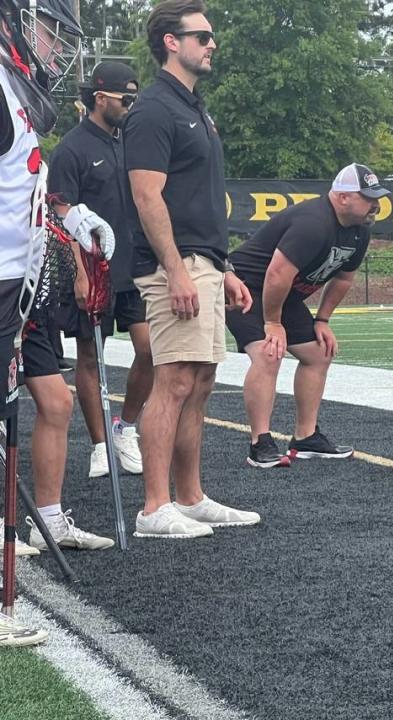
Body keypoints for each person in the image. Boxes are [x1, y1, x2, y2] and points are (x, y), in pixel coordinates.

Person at [124, 0, 258, 539]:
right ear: (170, 42)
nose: (212, 43)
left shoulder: (194, 107)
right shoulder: (155, 108)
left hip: (203, 260)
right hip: (173, 265)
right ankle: (154, 507)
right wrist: (176, 269)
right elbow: (146, 195)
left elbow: (196, 197)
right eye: (202, 35)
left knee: (200, 381)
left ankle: (190, 496)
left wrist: (220, 267)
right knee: (174, 380)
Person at [0, 0, 112, 646]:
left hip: (15, 292)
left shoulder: (17, 94)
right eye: (49, 31)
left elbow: (22, 192)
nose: (57, 48)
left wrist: (67, 222)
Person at [227, 163, 391, 467]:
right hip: (245, 288)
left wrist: (322, 320)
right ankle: (260, 443)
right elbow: (276, 274)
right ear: (343, 197)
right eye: (368, 198)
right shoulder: (313, 222)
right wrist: (273, 323)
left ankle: (305, 437)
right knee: (269, 353)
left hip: (281, 294)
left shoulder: (359, 232)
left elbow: (343, 278)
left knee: (318, 353)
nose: (376, 205)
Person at [49, 61, 152, 480]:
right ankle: (98, 445)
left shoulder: (132, 142)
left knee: (151, 350)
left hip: (136, 268)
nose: (130, 105)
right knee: (91, 357)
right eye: (125, 98)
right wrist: (78, 271)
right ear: (100, 97)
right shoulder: (71, 149)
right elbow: (60, 211)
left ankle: (125, 427)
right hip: (92, 270)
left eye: (134, 98)